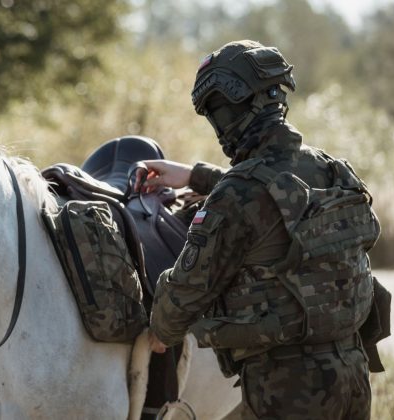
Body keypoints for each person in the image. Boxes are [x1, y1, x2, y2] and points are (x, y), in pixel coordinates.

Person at [143, 40, 381, 419]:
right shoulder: (333, 169)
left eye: (218, 111)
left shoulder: (238, 195)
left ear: (239, 107)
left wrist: (159, 332)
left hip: (286, 385)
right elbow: (279, 193)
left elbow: (183, 295)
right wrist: (196, 175)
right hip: (352, 373)